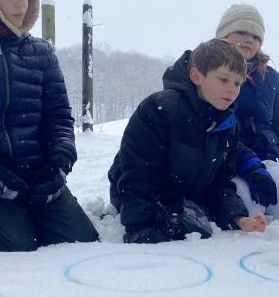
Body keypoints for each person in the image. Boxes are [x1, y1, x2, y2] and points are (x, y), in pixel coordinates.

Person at [0, 0, 98, 252]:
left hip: (36, 175)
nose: (21, 2)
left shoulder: (40, 53)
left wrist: (59, 163)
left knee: (81, 241)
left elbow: (59, 118)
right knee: (17, 244)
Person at [108, 39, 266, 243]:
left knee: (199, 228)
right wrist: (140, 226)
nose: (232, 89)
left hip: (183, 198)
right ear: (196, 76)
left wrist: (238, 217)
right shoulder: (160, 109)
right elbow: (137, 173)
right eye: (224, 79)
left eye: (237, 83)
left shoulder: (229, 125)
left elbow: (220, 182)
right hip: (140, 197)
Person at [215, 4, 279, 230]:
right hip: (225, 166)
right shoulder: (210, 73)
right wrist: (248, 166)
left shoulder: (271, 79)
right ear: (224, 33)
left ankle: (269, 200)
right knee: (244, 212)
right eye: (241, 32)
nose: (248, 40)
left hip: (266, 162)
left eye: (255, 36)